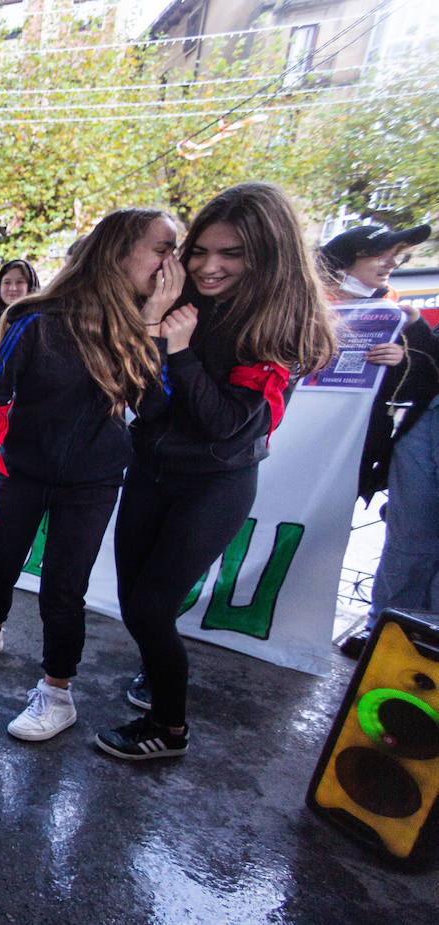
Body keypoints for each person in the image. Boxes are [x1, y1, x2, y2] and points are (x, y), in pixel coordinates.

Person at [100, 182, 335, 760]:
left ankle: (169, 729)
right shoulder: (179, 302)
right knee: (136, 600)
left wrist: (176, 352)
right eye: (200, 251)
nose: (208, 267)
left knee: (152, 607)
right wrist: (153, 324)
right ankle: (159, 672)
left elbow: (226, 425)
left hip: (214, 484)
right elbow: (148, 405)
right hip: (151, 468)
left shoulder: (281, 325)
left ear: (266, 254)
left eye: (230, 255)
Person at [0, 209, 178, 742]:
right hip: (22, 470)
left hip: (94, 482)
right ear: (120, 253)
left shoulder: (149, 322)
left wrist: (155, 327)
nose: (173, 262)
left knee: (64, 589)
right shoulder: (34, 319)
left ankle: (57, 692)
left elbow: (158, 410)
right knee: (0, 561)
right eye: (163, 248)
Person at [319, 224, 439, 652]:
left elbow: (417, 384)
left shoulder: (395, 315)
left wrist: (404, 357)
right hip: (287, 446)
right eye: (380, 254)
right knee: (409, 539)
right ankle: (388, 630)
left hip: (350, 452)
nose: (392, 263)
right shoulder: (298, 301)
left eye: (397, 256)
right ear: (345, 260)